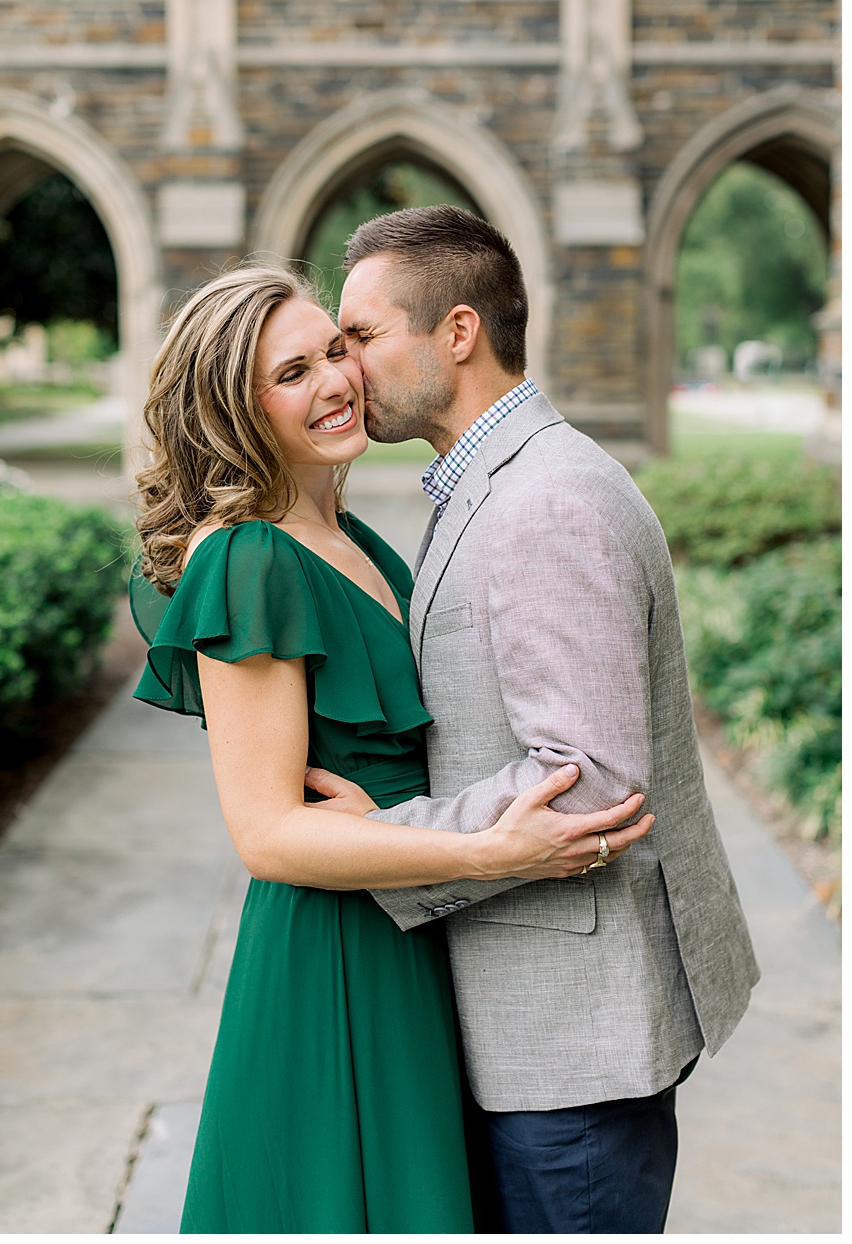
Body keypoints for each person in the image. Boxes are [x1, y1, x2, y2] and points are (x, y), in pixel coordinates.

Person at [130, 263, 654, 1232]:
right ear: (232, 409)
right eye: (290, 373)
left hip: (415, 925)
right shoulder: (248, 558)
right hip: (335, 950)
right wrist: (484, 850)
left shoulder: (357, 535)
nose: (335, 381)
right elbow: (267, 833)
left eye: (336, 348)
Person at [329, 205, 758, 1233]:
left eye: (363, 336)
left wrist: (378, 843)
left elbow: (592, 784)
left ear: (459, 332)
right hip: (539, 1027)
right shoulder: (487, 480)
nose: (346, 368)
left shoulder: (542, 501)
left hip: (568, 1044)